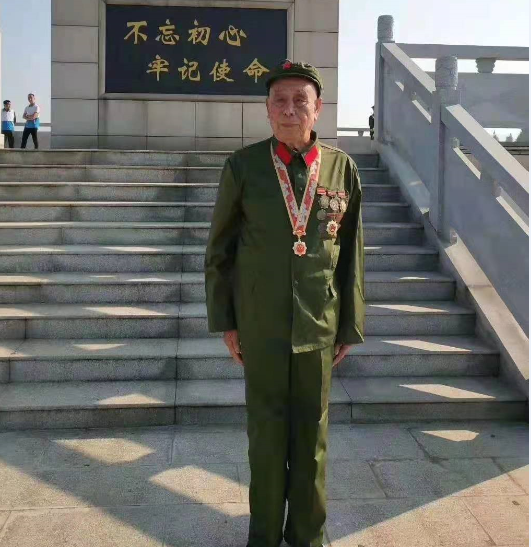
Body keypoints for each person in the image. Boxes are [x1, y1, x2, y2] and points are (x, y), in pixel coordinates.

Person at [205, 60, 365, 547]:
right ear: (267, 109)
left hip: (319, 323)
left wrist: (349, 324)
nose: (289, 109)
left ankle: (307, 537)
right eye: (280, 100)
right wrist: (228, 322)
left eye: (300, 100)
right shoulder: (243, 166)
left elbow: (351, 253)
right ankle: (264, 537)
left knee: (312, 441)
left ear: (318, 108)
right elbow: (220, 250)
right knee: (266, 437)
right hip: (262, 325)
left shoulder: (340, 168)